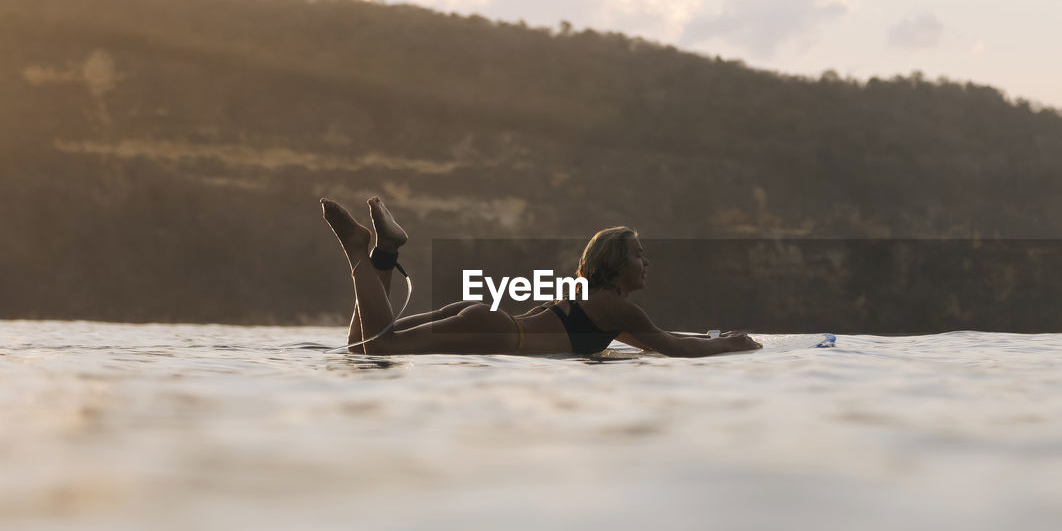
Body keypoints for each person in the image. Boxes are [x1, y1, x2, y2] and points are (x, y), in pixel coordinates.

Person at [321, 197, 762, 357]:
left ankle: (381, 252)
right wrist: (734, 344)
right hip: (497, 334)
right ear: (616, 264)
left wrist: (710, 333)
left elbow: (654, 335)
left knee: (364, 345)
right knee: (374, 347)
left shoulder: (593, 303)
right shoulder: (617, 307)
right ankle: (363, 250)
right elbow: (673, 348)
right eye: (639, 255)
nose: (646, 263)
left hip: (491, 323)